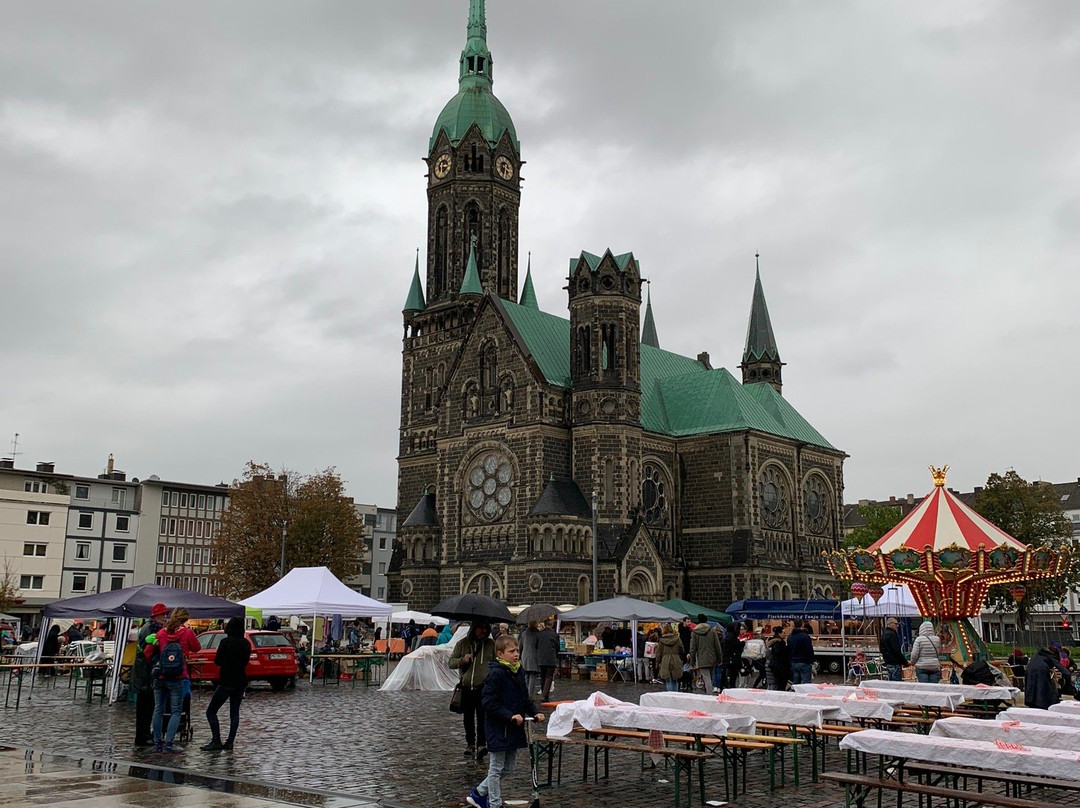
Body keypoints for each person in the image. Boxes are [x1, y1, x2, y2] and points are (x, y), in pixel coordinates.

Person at [465, 634, 545, 808]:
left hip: (513, 728)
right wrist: (509, 715)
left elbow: (524, 697)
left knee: (508, 767)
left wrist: (535, 712)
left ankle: (479, 793)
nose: (516, 654)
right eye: (512, 651)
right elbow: (489, 702)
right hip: (498, 728)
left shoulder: (518, 671)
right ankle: (494, 803)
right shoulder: (495, 674)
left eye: (517, 650)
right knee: (496, 768)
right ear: (500, 654)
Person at [148, 607, 201, 753]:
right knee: (176, 711)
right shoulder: (187, 632)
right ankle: (169, 744)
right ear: (185, 619)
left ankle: (157, 742)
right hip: (178, 675)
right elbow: (197, 648)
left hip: (161, 674)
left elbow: (153, 648)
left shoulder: (162, 633)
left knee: (158, 708)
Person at [200, 616, 251, 751]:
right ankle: (230, 741)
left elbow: (217, 661)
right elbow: (246, 661)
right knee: (234, 712)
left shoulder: (225, 642)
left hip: (226, 680)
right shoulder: (246, 643)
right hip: (240, 681)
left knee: (211, 711)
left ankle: (216, 739)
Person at [449, 621, 496, 760]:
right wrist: (462, 660)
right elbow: (451, 662)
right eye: (480, 628)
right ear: (474, 629)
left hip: (484, 687)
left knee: (483, 717)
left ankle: (482, 744)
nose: (483, 631)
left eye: (486, 628)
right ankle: (470, 744)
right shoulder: (462, 644)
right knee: (468, 717)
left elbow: (496, 662)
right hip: (467, 687)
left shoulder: (490, 645)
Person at [132, 602, 169, 746]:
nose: (165, 617)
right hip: (144, 675)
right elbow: (150, 652)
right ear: (156, 616)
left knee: (148, 707)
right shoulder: (150, 629)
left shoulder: (152, 627)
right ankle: (142, 736)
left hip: (146, 675)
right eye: (163, 614)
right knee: (144, 708)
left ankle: (145, 734)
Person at [689, 614, 723, 693]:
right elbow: (717, 645)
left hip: (701, 658)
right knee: (710, 677)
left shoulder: (695, 632)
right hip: (712, 657)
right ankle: (709, 692)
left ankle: (709, 695)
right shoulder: (712, 630)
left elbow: (693, 648)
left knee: (706, 678)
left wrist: (692, 661)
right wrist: (719, 659)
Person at [534, 619, 560, 702]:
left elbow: (536, 645)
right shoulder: (555, 635)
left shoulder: (539, 634)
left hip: (541, 658)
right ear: (551, 625)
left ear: (544, 625)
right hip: (551, 658)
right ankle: (545, 695)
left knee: (542, 676)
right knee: (549, 676)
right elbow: (557, 647)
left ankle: (543, 693)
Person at [656, 624, 684, 692]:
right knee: (675, 679)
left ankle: (670, 695)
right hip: (676, 659)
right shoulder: (677, 639)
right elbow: (682, 649)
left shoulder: (661, 641)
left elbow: (659, 653)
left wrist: (657, 663)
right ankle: (675, 695)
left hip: (665, 661)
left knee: (668, 680)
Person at [519, 621, 541, 696]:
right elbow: (539, 646)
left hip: (524, 656)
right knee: (532, 676)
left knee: (526, 676)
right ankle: (529, 695)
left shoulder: (523, 634)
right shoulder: (537, 634)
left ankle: (524, 693)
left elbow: (520, 646)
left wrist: (519, 656)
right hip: (534, 657)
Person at [766, 625, 790, 691]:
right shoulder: (779, 642)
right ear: (779, 633)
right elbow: (779, 652)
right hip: (780, 666)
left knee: (774, 683)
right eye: (783, 633)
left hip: (772, 665)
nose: (785, 635)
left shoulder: (771, 641)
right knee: (781, 684)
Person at [721, 622, 745, 689]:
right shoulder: (731, 637)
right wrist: (742, 643)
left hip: (729, 659)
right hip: (732, 659)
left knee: (731, 675)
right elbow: (737, 645)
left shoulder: (728, 636)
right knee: (732, 675)